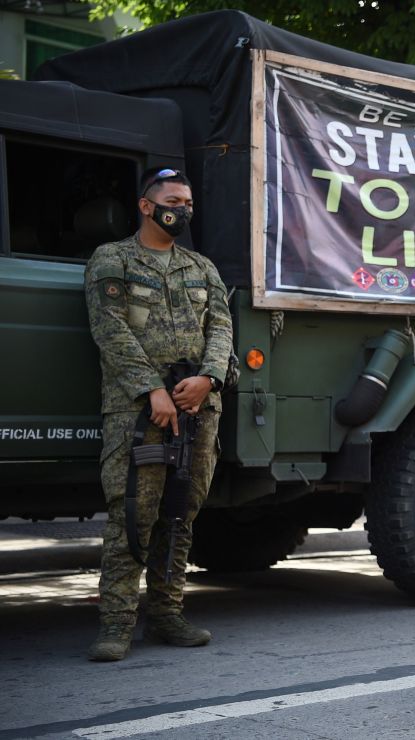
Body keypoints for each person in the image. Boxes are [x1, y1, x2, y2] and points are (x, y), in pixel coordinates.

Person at [84, 167, 233, 661]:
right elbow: (111, 332)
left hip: (197, 408)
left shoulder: (202, 268)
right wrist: (154, 390)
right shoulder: (113, 259)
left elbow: (222, 329)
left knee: (179, 514)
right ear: (146, 206)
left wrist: (208, 379)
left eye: (188, 202)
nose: (183, 210)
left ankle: (167, 616)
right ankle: (116, 625)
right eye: (174, 200)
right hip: (138, 410)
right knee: (132, 514)